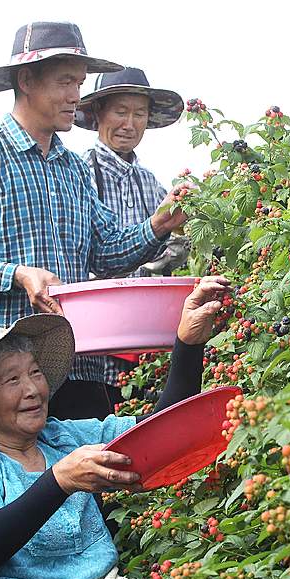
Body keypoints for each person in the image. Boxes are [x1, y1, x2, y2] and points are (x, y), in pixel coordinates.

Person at [0, 275, 233, 579]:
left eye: (36, 373)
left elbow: (159, 437)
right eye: (12, 381)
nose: (33, 390)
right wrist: (57, 483)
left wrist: (188, 342)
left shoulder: (66, 439)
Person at [0, 22, 187, 421]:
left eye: (79, 83)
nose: (76, 96)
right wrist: (17, 274)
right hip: (2, 370)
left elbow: (107, 252)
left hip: (74, 364)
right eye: (65, 82)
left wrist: (159, 224)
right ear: (26, 80)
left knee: (87, 478)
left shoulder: (73, 168)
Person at [75, 66, 191, 408]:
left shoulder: (151, 183)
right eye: (120, 112)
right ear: (98, 113)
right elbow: (97, 255)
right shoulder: (80, 173)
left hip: (146, 346)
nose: (129, 123)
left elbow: (173, 249)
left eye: (139, 113)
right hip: (94, 348)